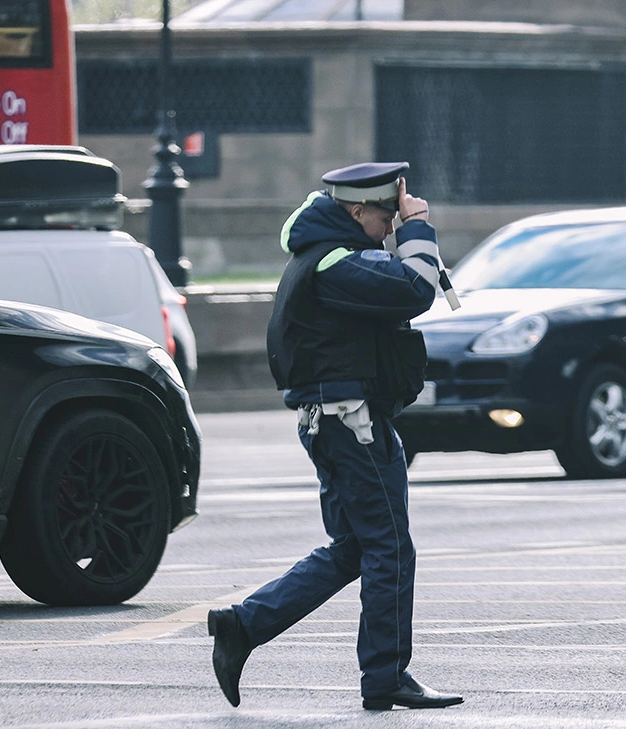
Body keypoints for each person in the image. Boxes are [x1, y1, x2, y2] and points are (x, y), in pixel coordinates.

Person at [207, 161, 464, 712]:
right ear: (355, 210)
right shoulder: (333, 262)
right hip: (353, 424)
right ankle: (386, 676)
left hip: (341, 420)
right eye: (384, 216)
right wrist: (420, 228)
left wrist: (404, 230)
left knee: (355, 547)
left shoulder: (326, 254)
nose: (390, 226)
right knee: (389, 545)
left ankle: (243, 626)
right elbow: (415, 290)